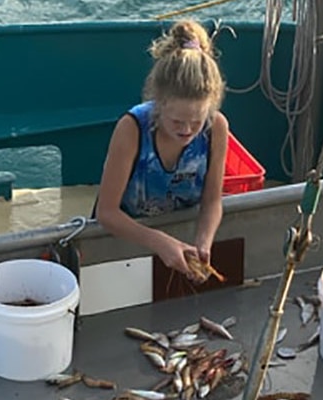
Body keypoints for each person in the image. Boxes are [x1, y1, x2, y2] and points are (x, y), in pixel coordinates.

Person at [94, 19, 229, 283]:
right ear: (158, 105)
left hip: (178, 242)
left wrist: (203, 243)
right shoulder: (131, 128)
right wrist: (159, 242)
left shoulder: (216, 128)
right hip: (126, 237)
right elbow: (106, 212)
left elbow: (213, 200)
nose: (187, 131)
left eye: (196, 122)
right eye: (177, 122)